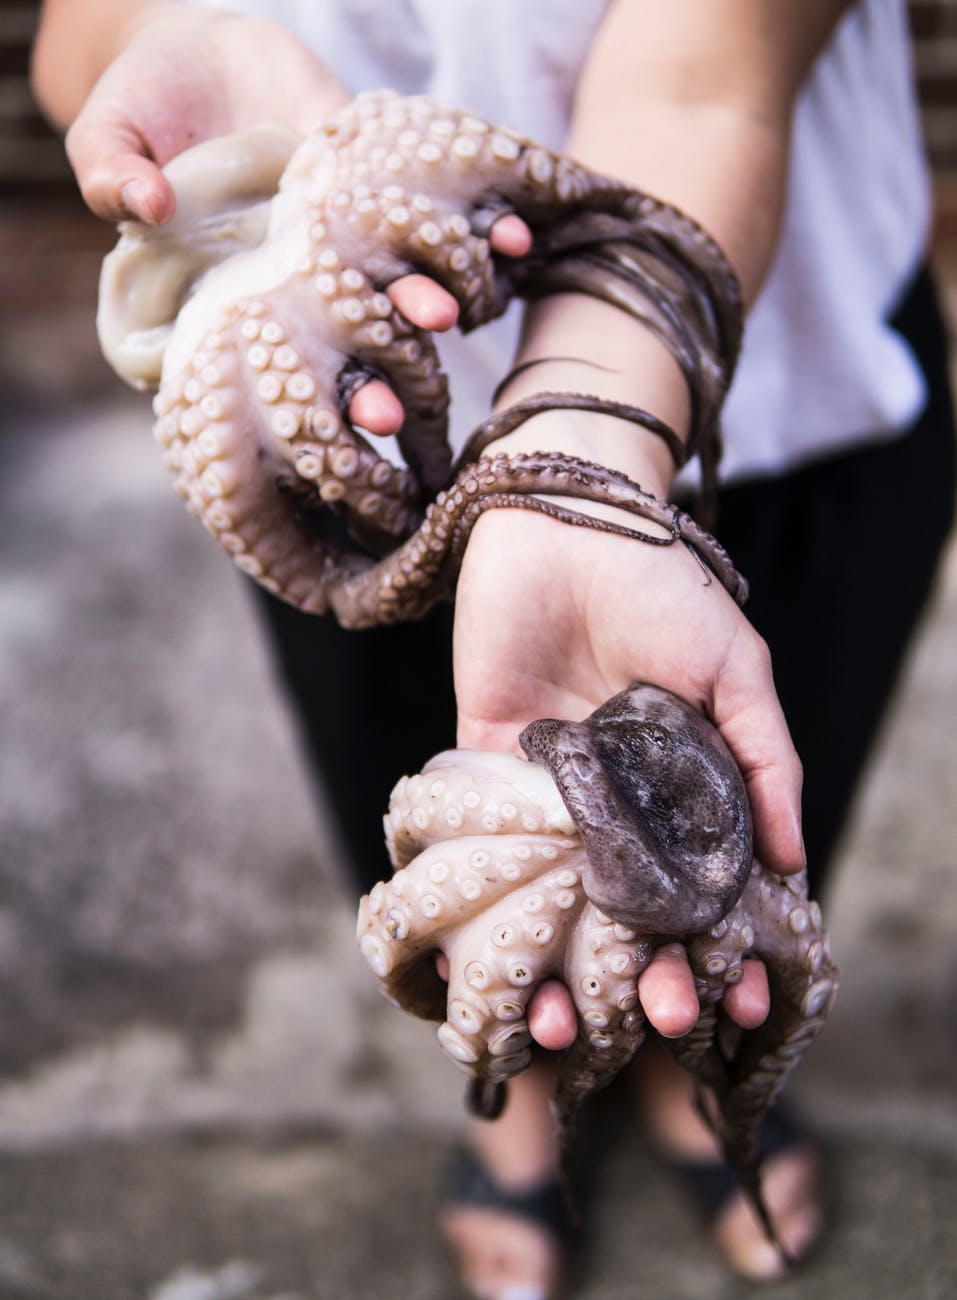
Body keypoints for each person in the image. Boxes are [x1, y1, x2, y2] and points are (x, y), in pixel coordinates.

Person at [32, 2, 955, 1296]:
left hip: (793, 348)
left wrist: (576, 460)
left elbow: (703, 78)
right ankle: (509, 1086)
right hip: (346, 419)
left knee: (755, 813)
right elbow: (81, 35)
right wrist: (157, 39)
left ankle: (699, 1088)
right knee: (428, 796)